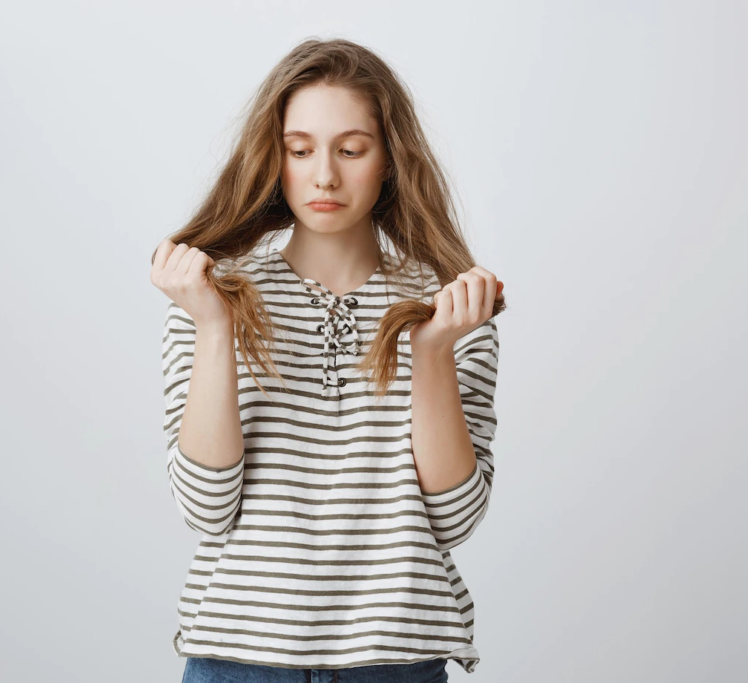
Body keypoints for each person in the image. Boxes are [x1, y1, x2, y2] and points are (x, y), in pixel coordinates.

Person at [149, 38, 506, 682]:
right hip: (240, 660)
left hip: (395, 661)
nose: (325, 176)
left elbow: (454, 518)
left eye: (350, 149)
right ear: (274, 159)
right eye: (301, 149)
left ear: (390, 160)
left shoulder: (451, 309)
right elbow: (205, 508)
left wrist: (430, 354)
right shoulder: (212, 298)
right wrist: (212, 326)